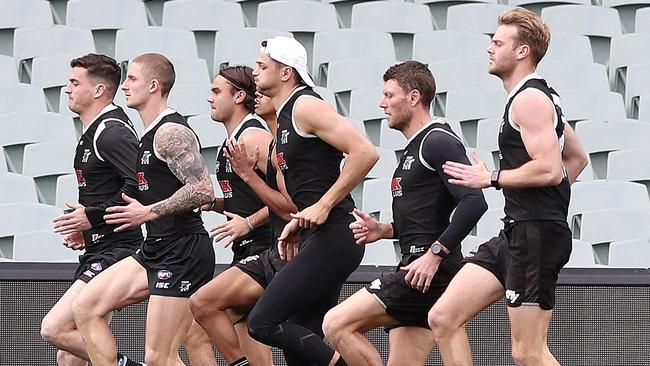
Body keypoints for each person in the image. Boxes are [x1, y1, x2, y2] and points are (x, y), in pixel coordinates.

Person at [428, 8, 589, 366]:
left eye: (498, 42)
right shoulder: (538, 97)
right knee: (443, 317)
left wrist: (492, 178)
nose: (489, 48)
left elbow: (549, 168)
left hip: (535, 235)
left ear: (522, 51)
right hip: (517, 230)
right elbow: (576, 159)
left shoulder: (530, 99)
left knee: (528, 352)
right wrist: (547, 201)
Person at [322, 61, 487, 366]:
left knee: (335, 324)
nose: (381, 103)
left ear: (413, 97)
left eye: (389, 95)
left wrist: (435, 254)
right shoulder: (416, 146)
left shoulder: (438, 141)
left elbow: (474, 202)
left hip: (428, 271)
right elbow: (428, 214)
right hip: (418, 268)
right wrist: (385, 230)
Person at [72, 53, 216, 366]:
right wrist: (91, 223)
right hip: (154, 247)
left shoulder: (170, 132)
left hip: (183, 251)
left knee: (159, 357)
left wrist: (149, 212)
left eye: (132, 79)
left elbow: (204, 190)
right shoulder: (146, 135)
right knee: (85, 308)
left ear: (153, 86)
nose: (124, 86)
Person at [245, 36, 379, 366]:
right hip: (317, 235)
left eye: (263, 66)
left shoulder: (305, 105)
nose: (255, 73)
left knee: (262, 322)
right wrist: (297, 222)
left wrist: (323, 204)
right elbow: (302, 191)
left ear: (286, 73)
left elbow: (366, 152)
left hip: (335, 235)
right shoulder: (286, 117)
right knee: (301, 339)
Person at [42, 53, 144, 366]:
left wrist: (92, 217)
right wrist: (87, 229)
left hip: (118, 252)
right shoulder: (95, 130)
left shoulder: (111, 132)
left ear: (98, 90)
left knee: (55, 328)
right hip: (100, 247)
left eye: (74, 82)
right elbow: (113, 191)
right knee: (68, 355)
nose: (67, 89)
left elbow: (140, 186)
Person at [191, 66, 275, 366]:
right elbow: (247, 196)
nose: (209, 98)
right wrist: (213, 203)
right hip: (246, 250)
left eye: (216, 91)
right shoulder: (234, 138)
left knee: (200, 317)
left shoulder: (254, 138)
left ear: (239, 95)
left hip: (267, 248)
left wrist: (249, 222)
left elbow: (293, 201)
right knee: (240, 341)